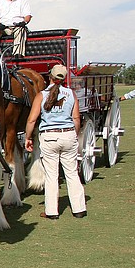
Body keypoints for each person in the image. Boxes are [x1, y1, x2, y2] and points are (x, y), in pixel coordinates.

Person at [24, 65, 87, 220]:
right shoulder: (71, 94)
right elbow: (76, 118)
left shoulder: (41, 95)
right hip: (68, 135)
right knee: (72, 173)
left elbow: (32, 120)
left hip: (49, 137)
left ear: (50, 77)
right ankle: (79, 209)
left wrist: (28, 137)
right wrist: (75, 134)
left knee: (52, 175)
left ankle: (52, 211)